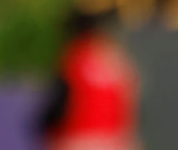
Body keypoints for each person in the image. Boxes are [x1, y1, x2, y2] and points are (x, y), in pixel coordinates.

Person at [36, 9, 140, 150]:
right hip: (114, 140)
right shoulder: (117, 59)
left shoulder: (74, 56)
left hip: (75, 138)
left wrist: (45, 129)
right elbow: (129, 105)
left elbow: (59, 102)